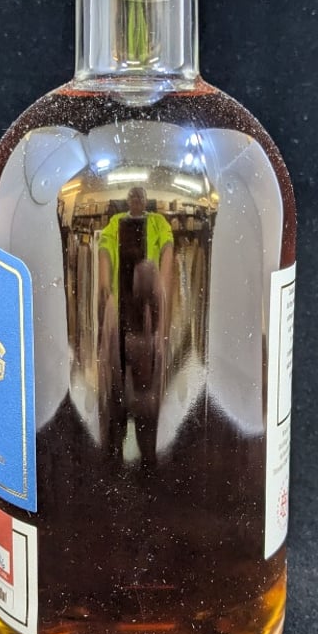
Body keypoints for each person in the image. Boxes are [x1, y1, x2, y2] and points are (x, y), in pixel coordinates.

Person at [97, 187, 174, 469]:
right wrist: (104, 283)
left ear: (145, 200)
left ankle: (148, 451)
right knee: (116, 369)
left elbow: (167, 249)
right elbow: (104, 249)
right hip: (121, 303)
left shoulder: (158, 222)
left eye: (141, 197)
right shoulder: (116, 222)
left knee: (148, 372)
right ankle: (114, 446)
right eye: (133, 197)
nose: (137, 200)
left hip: (149, 306)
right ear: (128, 200)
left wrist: (162, 287)